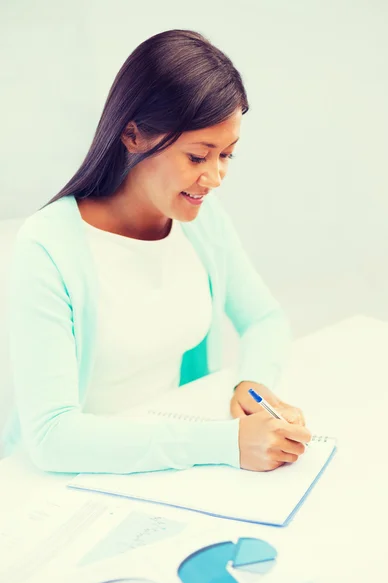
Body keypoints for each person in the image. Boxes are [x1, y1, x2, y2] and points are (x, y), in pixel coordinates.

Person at [2, 29, 311, 475]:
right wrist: (224, 443)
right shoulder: (47, 247)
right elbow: (52, 437)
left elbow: (264, 318)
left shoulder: (204, 223)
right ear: (132, 135)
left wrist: (253, 384)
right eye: (198, 156)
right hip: (68, 484)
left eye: (227, 155)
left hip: (166, 471)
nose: (215, 177)